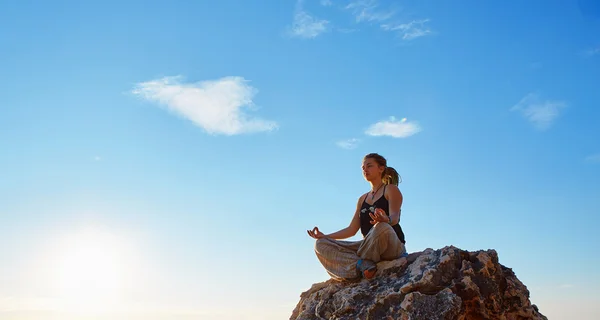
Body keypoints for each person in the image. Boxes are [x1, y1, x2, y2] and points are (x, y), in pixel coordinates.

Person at [307, 153, 407, 281]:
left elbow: (395, 217)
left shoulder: (390, 189)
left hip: (391, 245)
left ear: (381, 168)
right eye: (363, 168)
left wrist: (385, 220)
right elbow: (351, 230)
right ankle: (361, 264)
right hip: (367, 247)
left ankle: (358, 263)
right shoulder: (362, 199)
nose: (365, 170)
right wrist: (325, 236)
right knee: (320, 244)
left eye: (369, 166)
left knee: (381, 227)